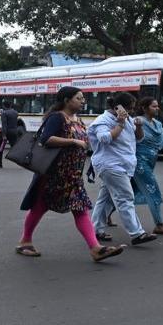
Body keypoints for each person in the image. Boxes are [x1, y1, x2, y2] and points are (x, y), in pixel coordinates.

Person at [16, 86, 125, 263]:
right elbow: (46, 139)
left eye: (83, 98)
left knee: (80, 209)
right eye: (79, 98)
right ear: (67, 100)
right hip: (54, 173)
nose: (83, 101)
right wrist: (73, 141)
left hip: (72, 175)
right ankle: (24, 241)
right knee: (40, 207)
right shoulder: (57, 117)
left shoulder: (76, 119)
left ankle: (96, 248)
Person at [89, 93, 158, 246]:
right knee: (125, 198)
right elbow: (105, 139)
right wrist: (119, 124)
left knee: (105, 199)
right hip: (111, 165)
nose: (131, 112)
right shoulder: (103, 120)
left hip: (123, 164)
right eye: (129, 108)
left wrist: (138, 126)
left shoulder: (127, 119)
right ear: (117, 107)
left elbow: (139, 138)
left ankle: (95, 229)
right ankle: (137, 233)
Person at [132, 97, 163, 235]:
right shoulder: (138, 122)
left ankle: (106, 215)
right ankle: (159, 224)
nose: (157, 108)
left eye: (157, 106)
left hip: (151, 161)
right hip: (139, 162)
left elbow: (162, 140)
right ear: (145, 108)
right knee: (153, 190)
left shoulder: (157, 124)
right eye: (154, 106)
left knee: (127, 193)